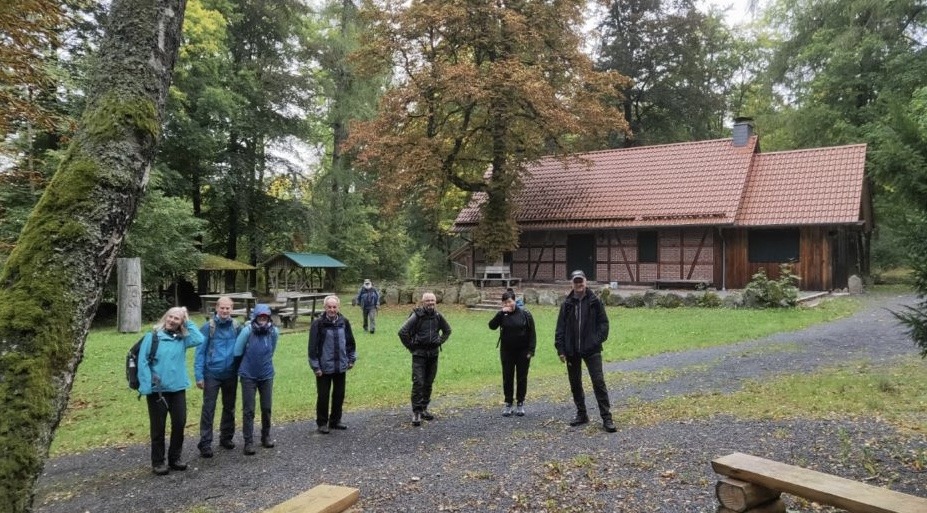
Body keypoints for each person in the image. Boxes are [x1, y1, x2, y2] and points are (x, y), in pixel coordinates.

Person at [137, 306, 204, 475]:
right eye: (171, 317)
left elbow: (199, 339)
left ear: (181, 322)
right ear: (165, 317)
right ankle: (158, 462)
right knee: (158, 428)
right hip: (157, 391)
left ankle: (175, 458)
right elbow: (142, 362)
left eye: (177, 319)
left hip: (178, 388)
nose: (173, 321)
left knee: (179, 424)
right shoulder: (151, 337)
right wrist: (146, 387)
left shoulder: (182, 339)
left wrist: (188, 320)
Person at [554, 270, 617, 433]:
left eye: (581, 281)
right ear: (572, 284)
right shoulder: (567, 304)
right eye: (576, 281)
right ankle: (582, 414)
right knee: (575, 383)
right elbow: (560, 328)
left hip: (592, 349)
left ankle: (606, 417)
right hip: (572, 350)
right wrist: (560, 348)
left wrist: (595, 341)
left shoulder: (595, 301)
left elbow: (604, 324)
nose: (579, 284)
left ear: (585, 282)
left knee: (598, 382)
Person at [194, 296, 240, 458]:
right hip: (211, 373)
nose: (225, 311)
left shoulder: (236, 326)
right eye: (222, 308)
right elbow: (200, 352)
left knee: (229, 407)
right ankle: (205, 443)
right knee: (208, 408)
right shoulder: (209, 327)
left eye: (228, 308)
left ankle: (226, 437)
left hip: (230, 373)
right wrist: (199, 375)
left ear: (232, 309)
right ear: (217, 308)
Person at [398, 292, 452, 426]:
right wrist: (411, 347)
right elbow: (402, 332)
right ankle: (416, 412)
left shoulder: (438, 316)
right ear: (423, 302)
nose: (430, 303)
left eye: (432, 301)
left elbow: (448, 330)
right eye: (427, 301)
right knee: (418, 383)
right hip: (419, 355)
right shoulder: (416, 316)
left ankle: (424, 408)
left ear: (436, 302)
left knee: (428, 382)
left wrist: (439, 341)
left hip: (433, 355)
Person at [308, 295, 357, 434]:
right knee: (323, 396)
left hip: (341, 365)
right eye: (329, 307)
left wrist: (351, 359)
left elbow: (350, 343)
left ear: (338, 307)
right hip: (323, 368)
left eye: (334, 307)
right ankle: (322, 423)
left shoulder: (344, 322)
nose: (332, 309)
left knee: (339, 395)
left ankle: (335, 420)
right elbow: (312, 348)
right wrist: (315, 366)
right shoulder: (318, 324)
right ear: (325, 308)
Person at [234, 303, 279, 455]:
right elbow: (237, 351)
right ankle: (248, 442)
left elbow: (272, 350)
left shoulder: (274, 332)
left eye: (265, 317)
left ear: (269, 317)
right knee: (249, 410)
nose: (263, 319)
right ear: (255, 317)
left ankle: (265, 436)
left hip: (266, 374)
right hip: (248, 375)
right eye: (260, 316)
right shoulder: (247, 331)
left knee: (266, 407)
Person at [488, 289, 537, 417]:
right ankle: (508, 402)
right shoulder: (502, 314)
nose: (507, 305)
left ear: (514, 301)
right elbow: (491, 326)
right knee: (507, 377)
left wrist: (531, 350)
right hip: (507, 351)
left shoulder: (525, 314)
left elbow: (532, 333)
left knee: (522, 377)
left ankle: (520, 402)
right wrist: (500, 313)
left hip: (523, 351)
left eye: (509, 301)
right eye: (504, 303)